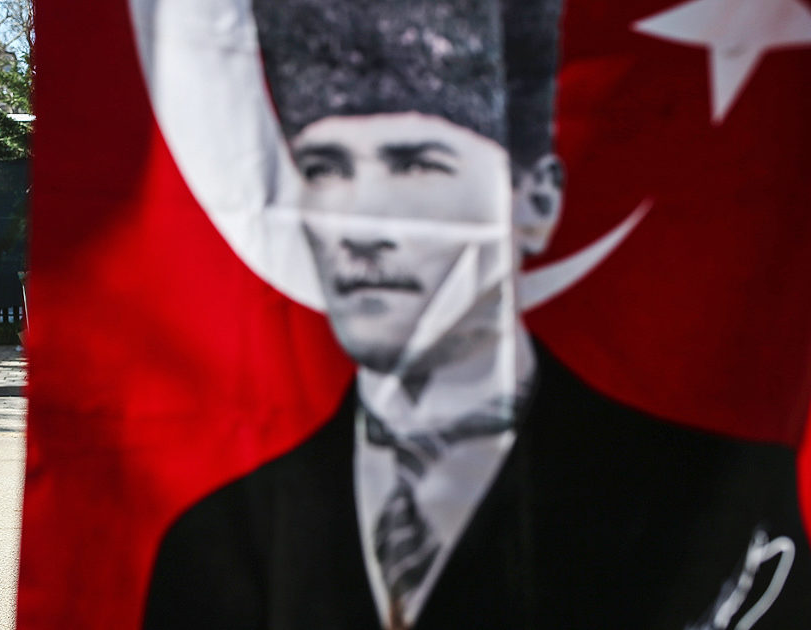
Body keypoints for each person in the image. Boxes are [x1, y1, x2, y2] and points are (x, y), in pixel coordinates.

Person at [144, 1, 811, 629]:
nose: (361, 227)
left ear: (534, 199)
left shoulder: (714, 507)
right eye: (325, 168)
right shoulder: (216, 540)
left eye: (414, 165)